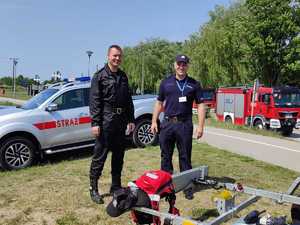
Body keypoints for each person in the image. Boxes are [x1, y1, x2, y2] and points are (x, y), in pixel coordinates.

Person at [151, 54, 206, 200]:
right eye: (179, 64)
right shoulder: (165, 83)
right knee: (165, 156)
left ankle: (187, 186)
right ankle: (166, 186)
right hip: (167, 124)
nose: (181, 66)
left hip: (184, 124)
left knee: (185, 156)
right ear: (174, 65)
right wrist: (154, 121)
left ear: (188, 66)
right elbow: (159, 102)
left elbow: (201, 105)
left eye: (184, 64)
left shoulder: (194, 84)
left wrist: (201, 126)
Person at [89, 45, 135, 204]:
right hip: (105, 121)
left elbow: (128, 99)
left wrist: (131, 119)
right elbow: (94, 102)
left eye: (119, 56)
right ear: (108, 56)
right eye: (115, 56)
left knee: (118, 156)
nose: (117, 59)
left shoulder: (123, 76)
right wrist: (95, 123)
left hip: (120, 122)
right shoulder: (99, 76)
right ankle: (93, 188)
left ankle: (115, 186)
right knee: (100, 156)